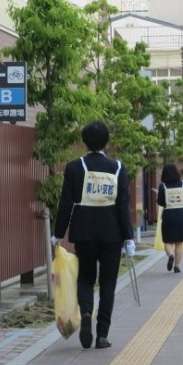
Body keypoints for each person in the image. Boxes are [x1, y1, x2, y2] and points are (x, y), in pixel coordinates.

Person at [52, 120, 135, 350]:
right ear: (106, 141)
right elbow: (123, 205)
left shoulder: (74, 167)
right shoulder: (118, 168)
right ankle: (102, 335)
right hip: (112, 233)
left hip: (84, 232)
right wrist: (129, 238)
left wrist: (57, 233)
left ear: (84, 141)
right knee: (108, 283)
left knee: (86, 278)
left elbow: (66, 203)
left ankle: (87, 312)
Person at [157, 163, 183, 273]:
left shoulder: (163, 186)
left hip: (168, 215)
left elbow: (160, 202)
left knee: (167, 241)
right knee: (179, 243)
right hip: (181, 214)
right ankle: (177, 266)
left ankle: (171, 255)